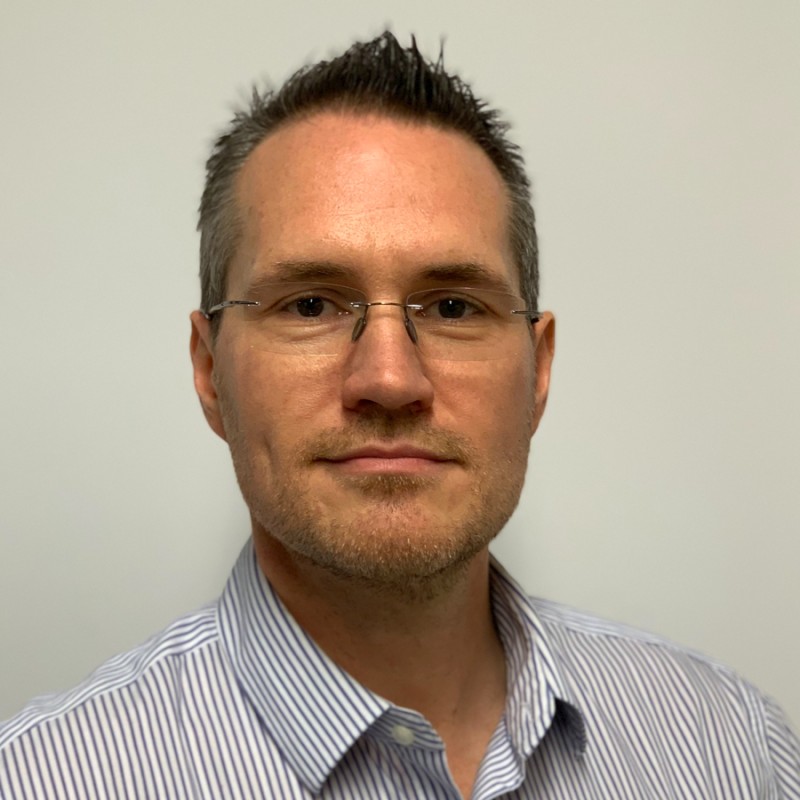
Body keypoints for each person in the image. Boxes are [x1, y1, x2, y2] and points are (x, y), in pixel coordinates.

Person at [1, 31, 798, 800]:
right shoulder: (38, 781)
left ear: (539, 371)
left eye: (453, 306)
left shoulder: (733, 750)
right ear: (210, 371)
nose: (388, 378)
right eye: (310, 304)